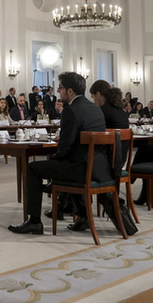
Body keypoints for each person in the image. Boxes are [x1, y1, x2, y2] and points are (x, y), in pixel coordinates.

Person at [9, 72, 121, 236]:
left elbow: (64, 148)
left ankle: (34, 221)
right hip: (98, 168)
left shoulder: (71, 110)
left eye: (60, 88)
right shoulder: (96, 109)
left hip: (80, 170)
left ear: (70, 91)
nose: (58, 91)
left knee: (33, 168)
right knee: (64, 164)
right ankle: (83, 216)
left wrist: (54, 160)